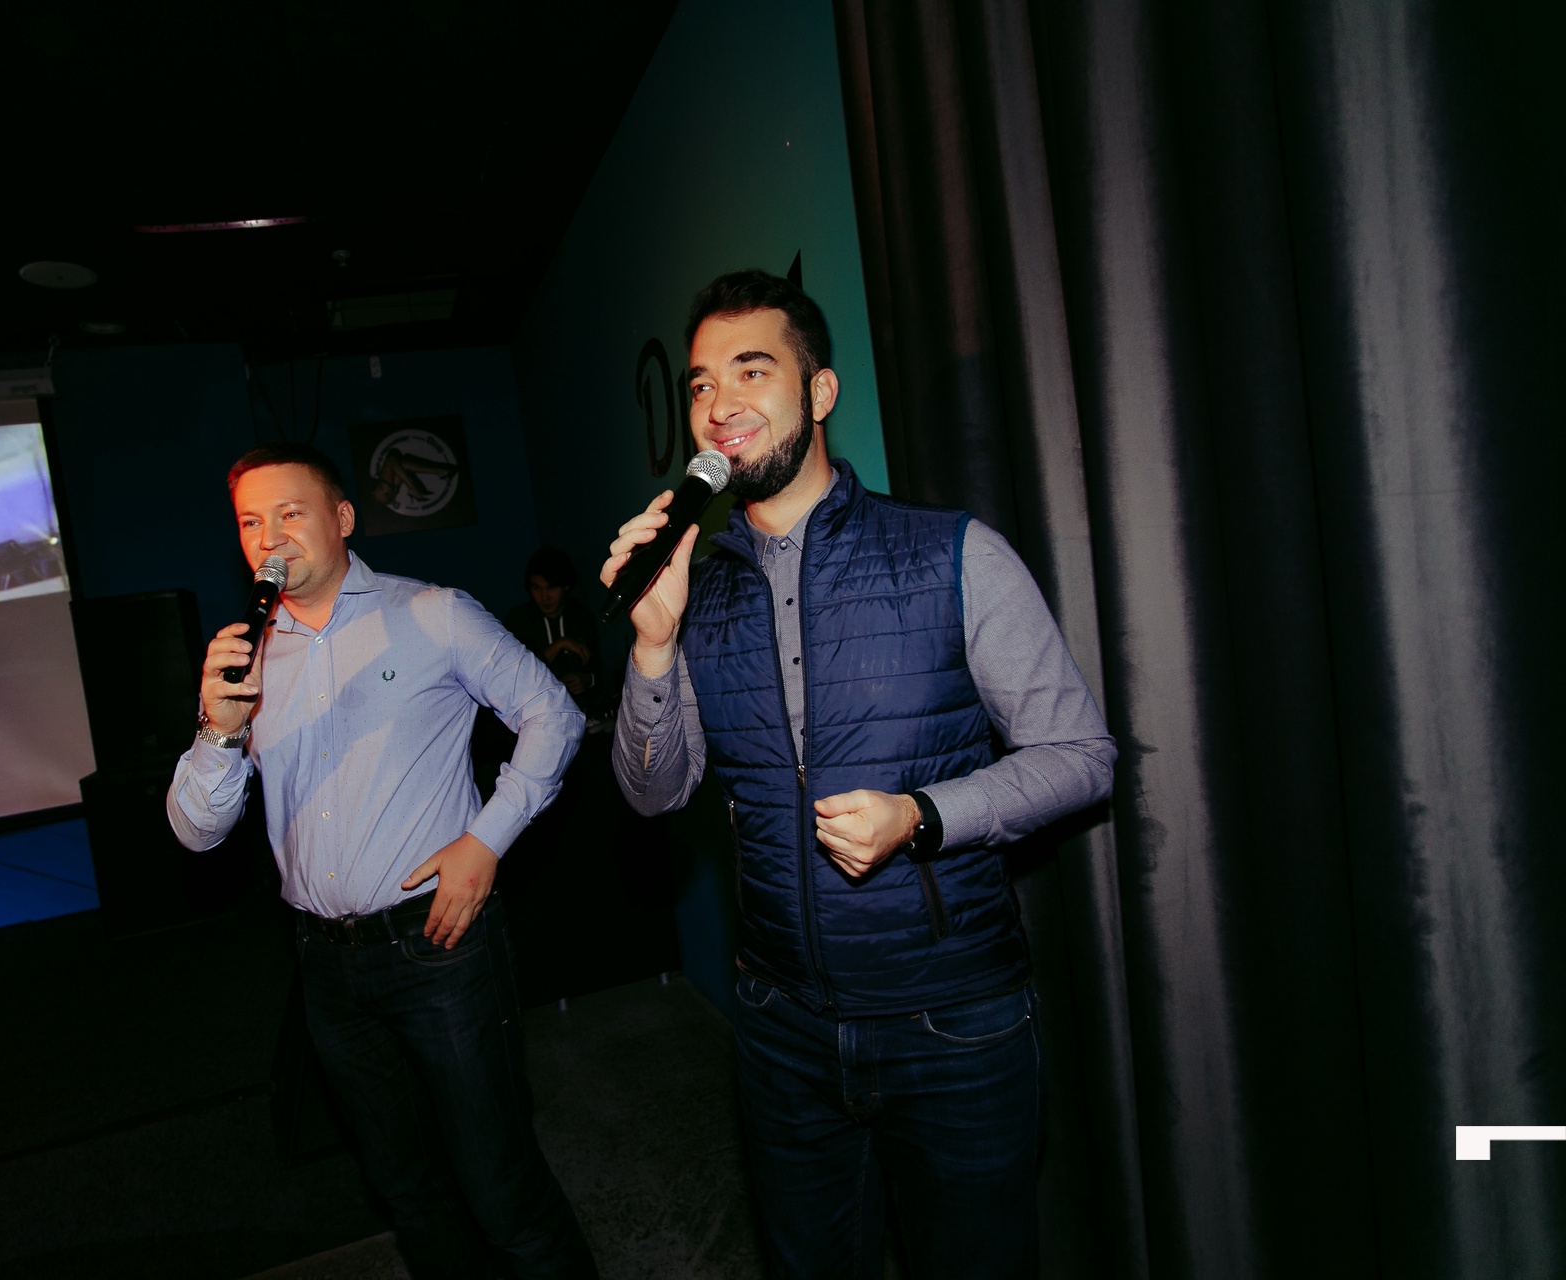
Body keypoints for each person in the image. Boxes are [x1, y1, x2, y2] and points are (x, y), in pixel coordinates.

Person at [602, 271, 1116, 1279]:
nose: (719, 404)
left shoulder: (953, 553)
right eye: (702, 384)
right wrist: (654, 644)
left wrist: (922, 815)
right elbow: (653, 791)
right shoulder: (695, 593)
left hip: (953, 1023)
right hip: (779, 1026)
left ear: (821, 391)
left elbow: (1080, 758)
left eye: (753, 371)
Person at [166, 442, 597, 1280]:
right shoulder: (245, 660)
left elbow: (554, 714)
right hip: (325, 967)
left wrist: (487, 838)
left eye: (289, 513)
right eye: (250, 523)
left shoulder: (432, 614)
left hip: (439, 947)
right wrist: (217, 729)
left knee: (501, 1191)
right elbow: (195, 834)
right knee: (407, 1191)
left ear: (342, 518)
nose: (269, 538)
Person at [502, 548, 601, 705]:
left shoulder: (581, 615)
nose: (544, 597)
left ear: (566, 586)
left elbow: (600, 670)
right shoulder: (519, 619)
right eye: (536, 588)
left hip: (581, 708)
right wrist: (560, 644)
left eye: (552, 588)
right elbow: (516, 675)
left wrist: (587, 680)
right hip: (534, 708)